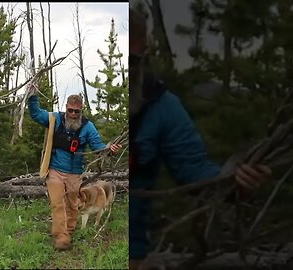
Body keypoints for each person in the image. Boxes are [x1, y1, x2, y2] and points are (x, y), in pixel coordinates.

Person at [128, 7, 272, 269]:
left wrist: (237, 183)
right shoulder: (78, 105)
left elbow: (196, 172)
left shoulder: (162, 107)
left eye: (130, 61)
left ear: (144, 54)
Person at [28, 90, 122, 251]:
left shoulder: (88, 127)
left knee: (72, 204)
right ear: (66, 108)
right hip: (55, 170)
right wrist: (33, 96)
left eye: (76, 111)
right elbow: (36, 114)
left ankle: (69, 231)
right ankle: (61, 238)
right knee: (57, 203)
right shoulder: (55, 119)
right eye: (70, 110)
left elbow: (98, 147)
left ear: (81, 110)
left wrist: (109, 149)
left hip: (75, 173)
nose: (72, 114)